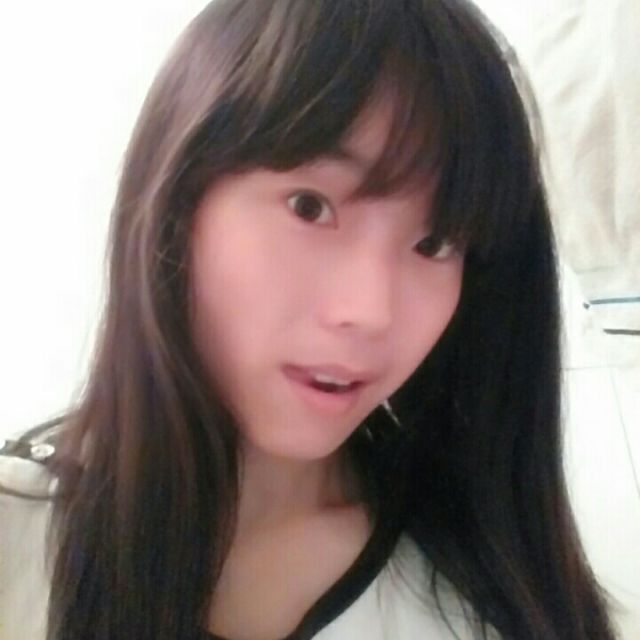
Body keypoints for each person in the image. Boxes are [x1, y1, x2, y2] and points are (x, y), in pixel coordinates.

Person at [0, 1, 620, 639]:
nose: (370, 312)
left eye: (435, 244)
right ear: (177, 202)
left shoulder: (490, 592)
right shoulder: (17, 538)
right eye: (309, 206)